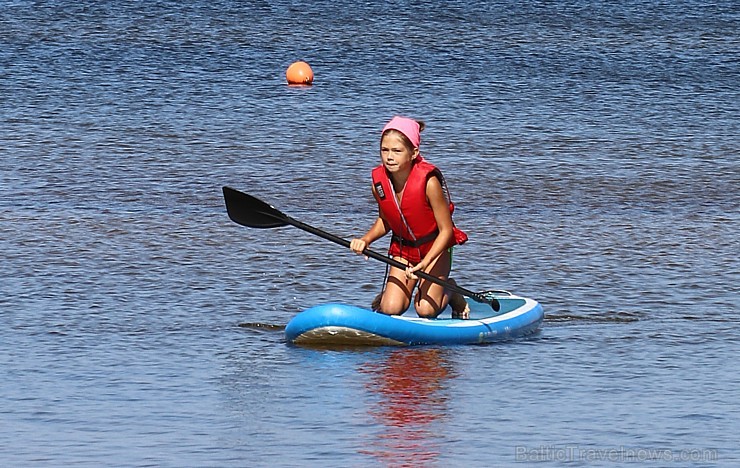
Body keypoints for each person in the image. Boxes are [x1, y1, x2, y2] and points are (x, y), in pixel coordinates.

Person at [350, 116, 470, 319]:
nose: (389, 157)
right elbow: (386, 221)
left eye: (397, 151)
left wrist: (425, 263)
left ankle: (451, 291)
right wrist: (365, 240)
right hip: (403, 250)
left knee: (425, 310)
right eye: (384, 150)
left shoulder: (429, 182)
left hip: (435, 248)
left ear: (413, 153)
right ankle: (397, 293)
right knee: (391, 308)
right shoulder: (379, 185)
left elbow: (446, 230)